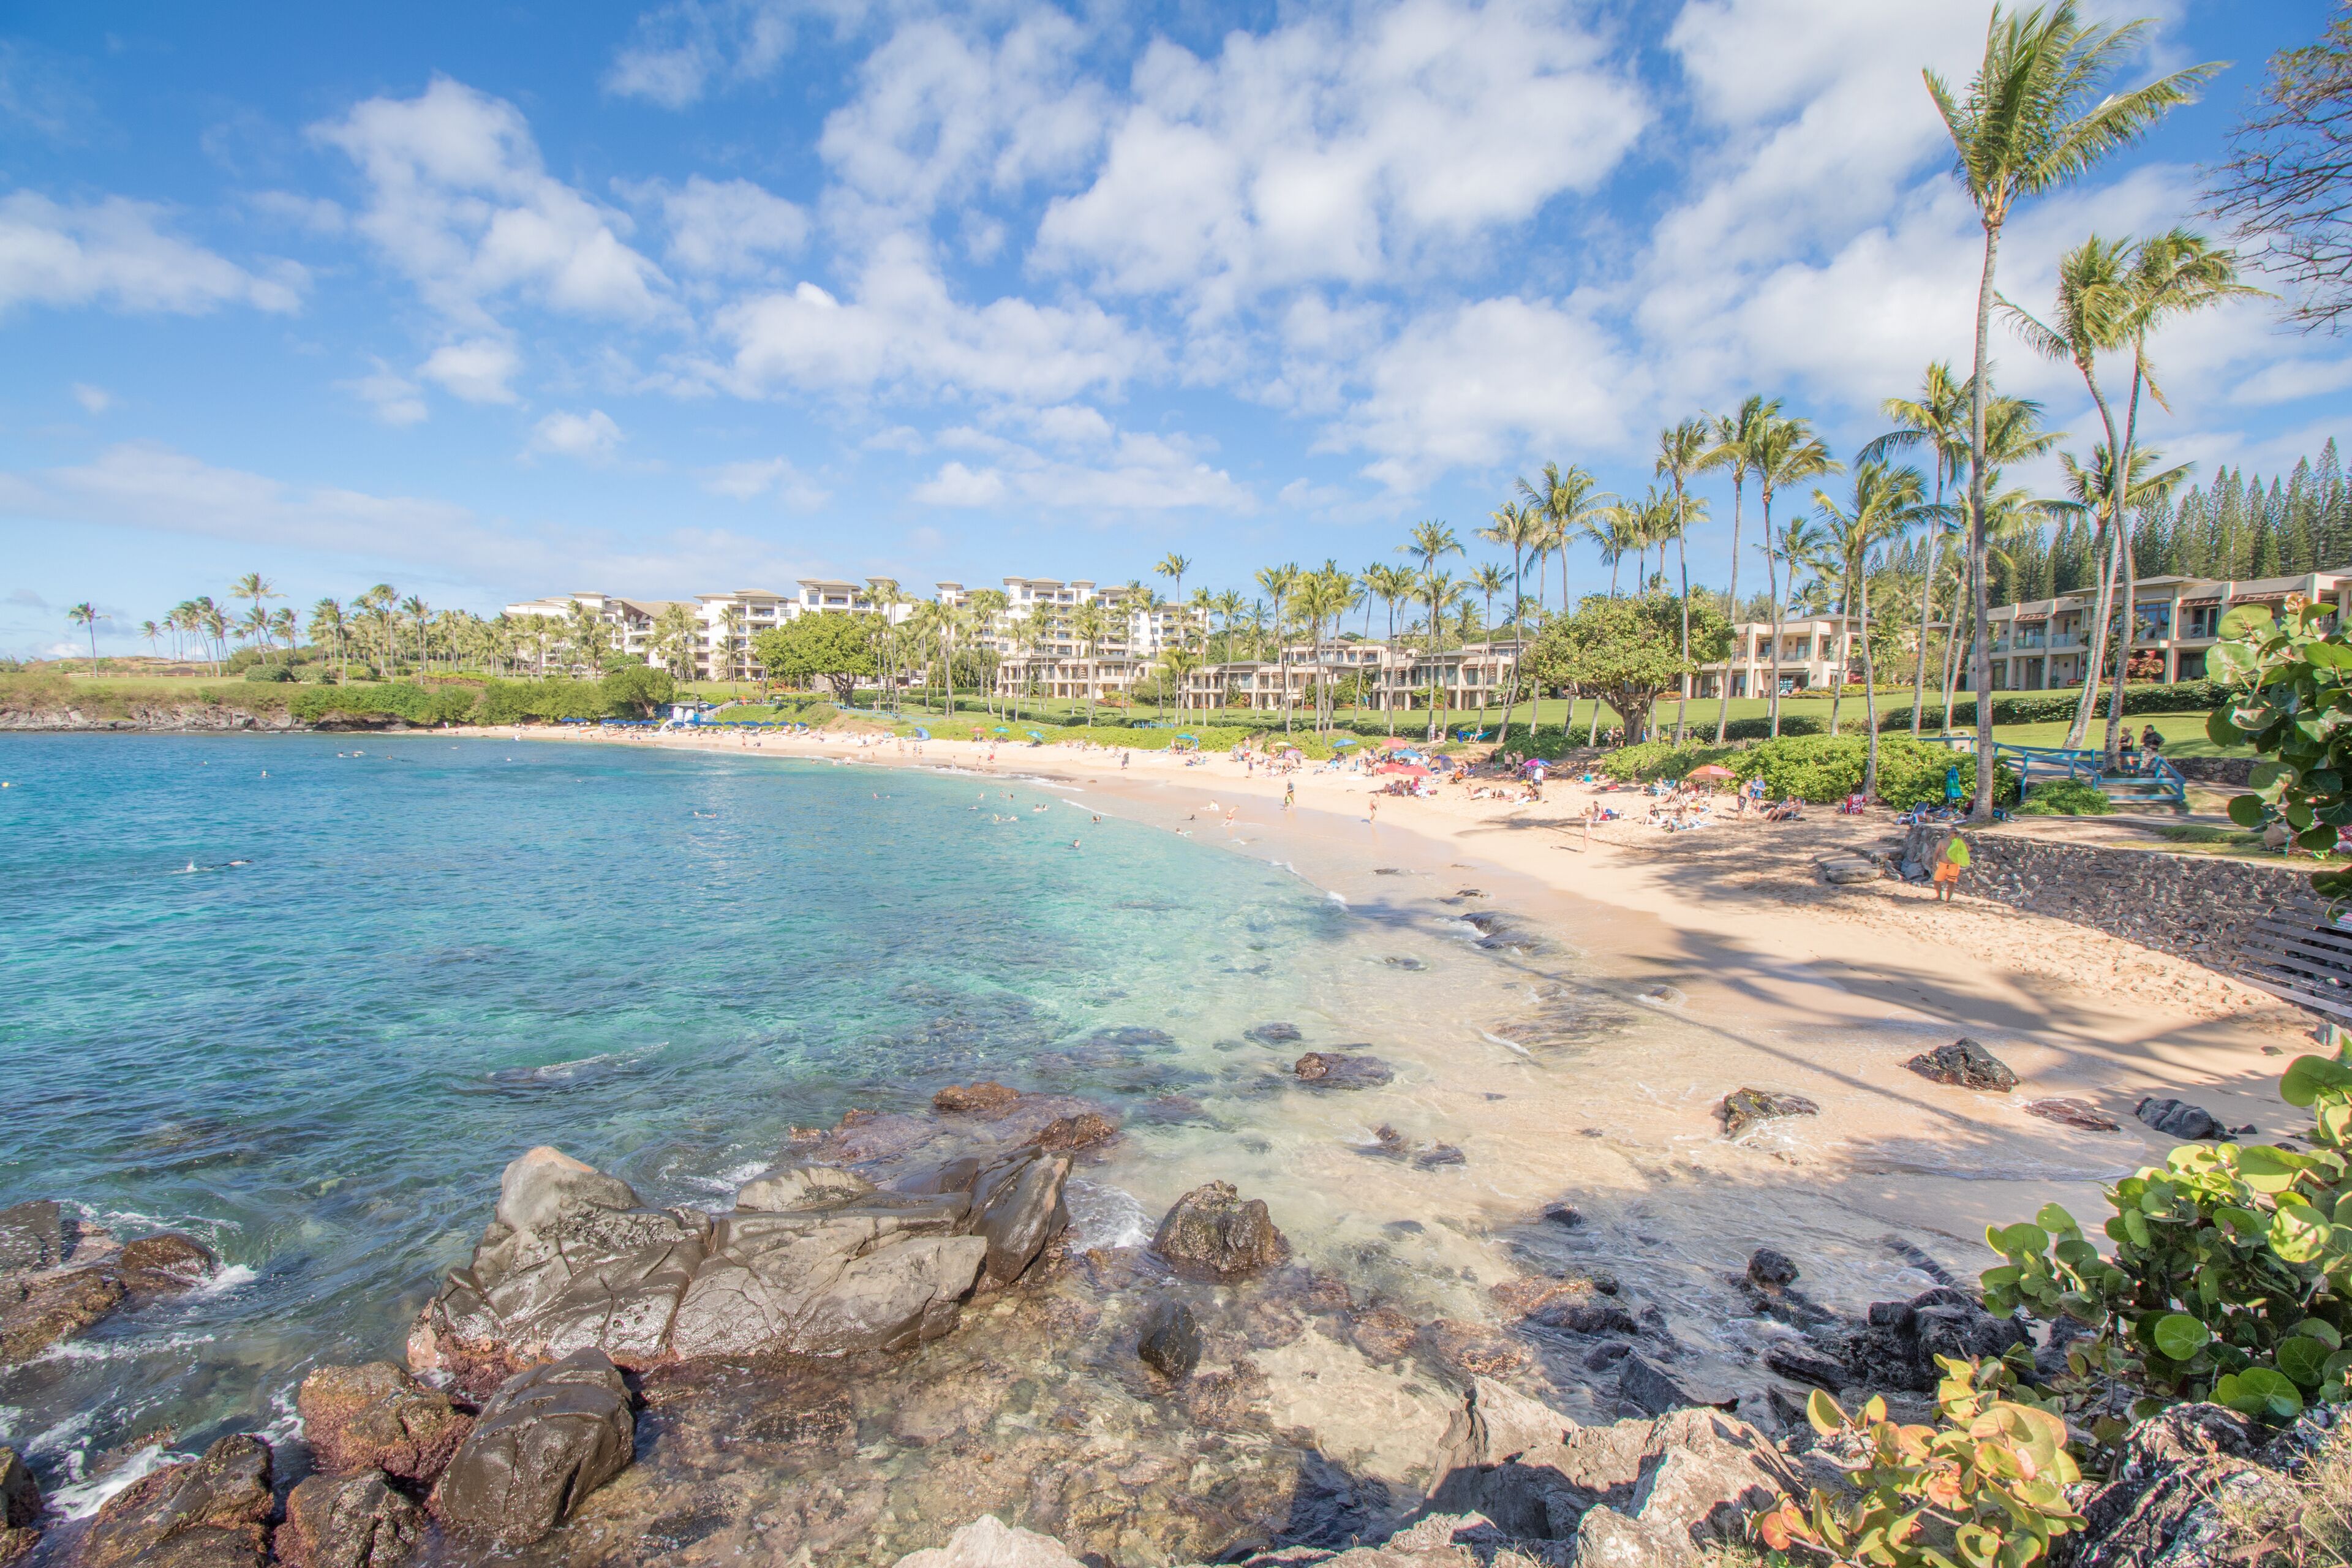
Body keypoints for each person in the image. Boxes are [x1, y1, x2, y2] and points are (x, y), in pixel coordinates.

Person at [1934, 832, 1969, 902]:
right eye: (1955, 833)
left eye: (1957, 833)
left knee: (1951, 882)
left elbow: (1968, 849)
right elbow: (1936, 853)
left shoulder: (1959, 842)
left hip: (1954, 865)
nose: (1956, 834)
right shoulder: (1942, 841)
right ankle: (1939, 896)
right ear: (1950, 833)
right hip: (1942, 864)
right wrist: (1934, 863)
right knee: (1936, 881)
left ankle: (1948, 899)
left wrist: (1963, 840)